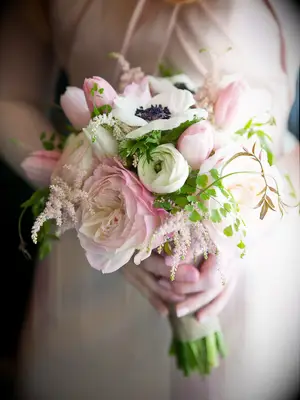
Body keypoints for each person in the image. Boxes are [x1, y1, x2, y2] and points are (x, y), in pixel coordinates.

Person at [0, 0, 299, 399]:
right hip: (100, 233)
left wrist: (240, 228)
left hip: (255, 239)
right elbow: (8, 96)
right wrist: (82, 190)